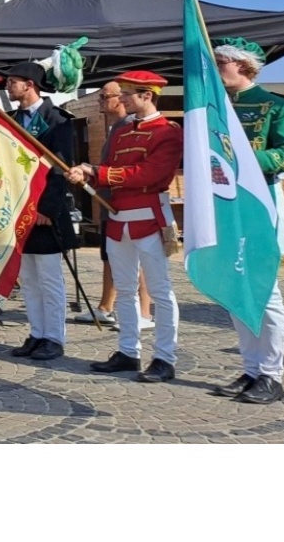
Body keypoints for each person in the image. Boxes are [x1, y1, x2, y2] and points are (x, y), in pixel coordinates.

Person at [69, 70, 183, 384]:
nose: (122, 99)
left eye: (128, 93)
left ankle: (164, 357)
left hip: (148, 216)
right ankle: (128, 351)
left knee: (160, 291)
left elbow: (150, 174)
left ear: (147, 95)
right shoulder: (120, 131)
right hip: (118, 217)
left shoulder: (169, 131)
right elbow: (111, 168)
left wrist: (98, 173)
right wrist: (87, 173)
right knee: (125, 290)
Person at [209, 37, 284, 404]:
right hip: (227, 206)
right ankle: (250, 368)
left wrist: (245, 163)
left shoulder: (276, 105)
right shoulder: (214, 108)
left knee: (264, 291)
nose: (216, 69)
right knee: (236, 291)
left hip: (260, 203)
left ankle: (272, 375)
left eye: (221, 63)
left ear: (242, 65)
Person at [3, 61, 78, 362]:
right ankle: (36, 333)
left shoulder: (57, 120)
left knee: (49, 277)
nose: (8, 87)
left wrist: (47, 207)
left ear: (29, 85)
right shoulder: (9, 119)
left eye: (12, 82)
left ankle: (54, 337)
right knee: (29, 278)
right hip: (18, 209)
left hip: (45, 210)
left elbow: (61, 166)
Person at [74, 81, 154, 330]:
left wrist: (95, 172)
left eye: (104, 97)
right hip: (109, 200)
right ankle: (106, 306)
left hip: (128, 202)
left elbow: (130, 169)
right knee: (110, 255)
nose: (100, 102)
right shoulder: (115, 128)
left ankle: (144, 312)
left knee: (136, 258)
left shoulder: (131, 126)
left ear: (120, 99)